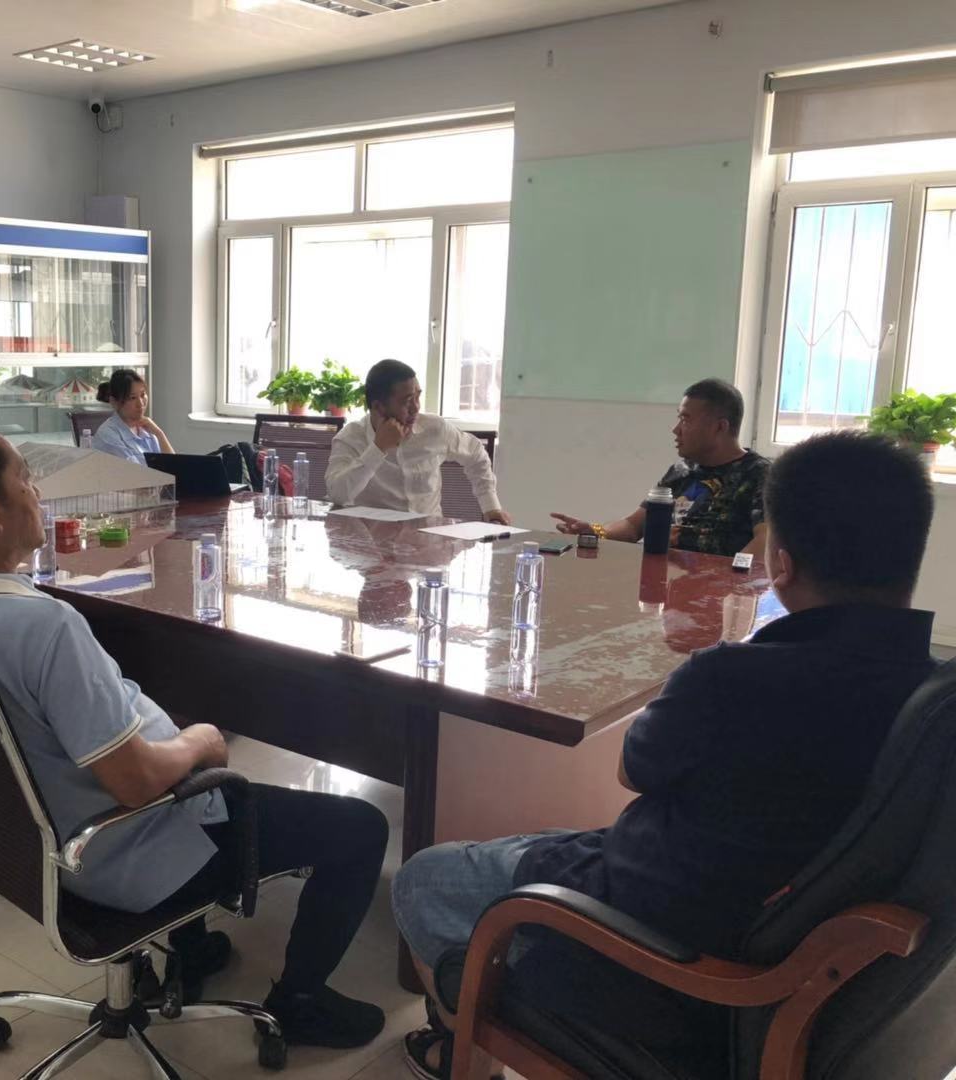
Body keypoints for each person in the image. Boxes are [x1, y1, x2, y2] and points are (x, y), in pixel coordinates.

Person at [391, 431, 938, 1078]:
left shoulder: (733, 677)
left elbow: (633, 769)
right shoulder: (932, 696)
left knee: (423, 879)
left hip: (662, 955)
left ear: (782, 564)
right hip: (775, 931)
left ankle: (468, 1041)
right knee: (538, 842)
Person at [0, 418, 389, 1050]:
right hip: (116, 847)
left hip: (14, 841)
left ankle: (192, 948)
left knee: (173, 735)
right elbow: (137, 782)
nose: (36, 491)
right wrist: (201, 741)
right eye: (25, 479)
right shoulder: (45, 626)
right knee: (359, 826)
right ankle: (302, 1001)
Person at [551, 378, 769, 556]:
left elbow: (766, 541)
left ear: (720, 427)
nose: (676, 429)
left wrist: (727, 582)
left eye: (685, 420)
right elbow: (633, 526)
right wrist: (595, 531)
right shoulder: (681, 471)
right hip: (666, 583)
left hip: (720, 590)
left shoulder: (760, 475)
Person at [325, 359, 510, 524]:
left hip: (430, 539)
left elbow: (476, 454)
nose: (416, 408)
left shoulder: (435, 429)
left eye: (417, 397)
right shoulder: (350, 438)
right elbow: (338, 495)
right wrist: (378, 448)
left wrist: (490, 506)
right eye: (407, 401)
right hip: (374, 542)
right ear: (379, 407)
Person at [89, 368, 173, 464]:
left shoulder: (147, 429)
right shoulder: (108, 435)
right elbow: (137, 472)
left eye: (143, 395)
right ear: (114, 402)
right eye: (132, 398)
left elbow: (174, 466)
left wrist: (159, 434)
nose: (140, 403)